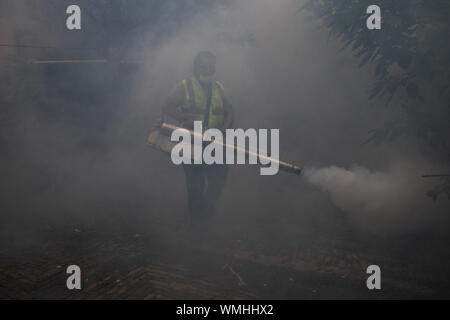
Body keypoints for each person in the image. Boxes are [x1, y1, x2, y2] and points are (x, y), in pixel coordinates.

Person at [163, 51, 233, 225]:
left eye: (211, 67)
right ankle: (197, 225)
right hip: (192, 143)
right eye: (203, 66)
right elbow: (167, 106)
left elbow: (230, 110)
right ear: (195, 67)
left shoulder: (219, 87)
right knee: (195, 184)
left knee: (219, 179)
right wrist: (185, 119)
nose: (207, 70)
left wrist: (224, 129)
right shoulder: (184, 86)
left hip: (215, 142)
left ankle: (206, 211)